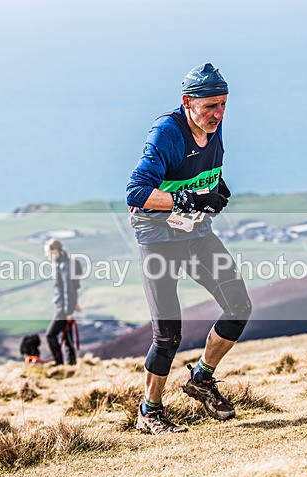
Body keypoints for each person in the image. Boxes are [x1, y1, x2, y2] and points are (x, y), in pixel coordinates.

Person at [125, 63, 252, 435]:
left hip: (196, 236)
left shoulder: (213, 122)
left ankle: (201, 378)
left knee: (239, 307)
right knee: (168, 335)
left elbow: (201, 168)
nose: (219, 113)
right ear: (187, 102)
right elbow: (136, 193)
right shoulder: (167, 133)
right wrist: (188, 199)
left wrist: (218, 188)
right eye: (211, 105)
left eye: (224, 104)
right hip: (159, 239)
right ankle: (149, 412)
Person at [44, 238, 81, 365]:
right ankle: (71, 363)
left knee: (50, 335)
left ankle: (59, 363)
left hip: (62, 307)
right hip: (64, 306)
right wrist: (73, 304)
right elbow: (74, 287)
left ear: (55, 250)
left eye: (47, 251)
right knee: (67, 336)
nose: (46, 254)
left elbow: (68, 288)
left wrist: (68, 311)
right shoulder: (64, 263)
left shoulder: (64, 265)